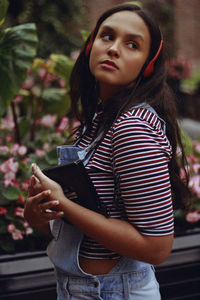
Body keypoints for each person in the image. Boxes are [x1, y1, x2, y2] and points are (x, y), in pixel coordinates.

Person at [24, 3, 190, 300]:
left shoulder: (132, 128)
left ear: (147, 65)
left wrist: (65, 203)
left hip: (113, 292)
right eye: (107, 36)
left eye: (132, 44)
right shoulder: (101, 121)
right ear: (90, 46)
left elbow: (157, 248)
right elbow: (91, 231)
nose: (114, 49)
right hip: (82, 288)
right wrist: (41, 214)